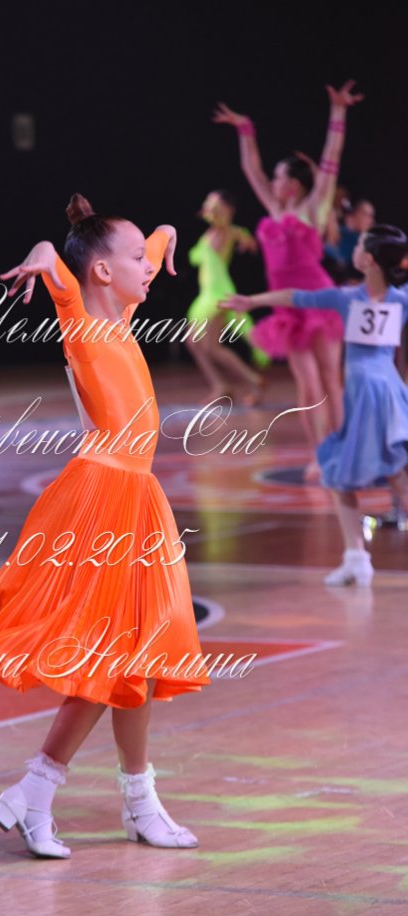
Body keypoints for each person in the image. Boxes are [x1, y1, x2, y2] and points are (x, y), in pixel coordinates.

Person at [0, 194, 208, 860]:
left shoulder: (121, 313)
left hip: (136, 495)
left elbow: (157, 239)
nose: (148, 268)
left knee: (140, 658)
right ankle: (36, 788)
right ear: (100, 272)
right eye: (135, 259)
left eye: (146, 259)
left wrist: (164, 235)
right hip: (103, 497)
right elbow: (56, 262)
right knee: (109, 658)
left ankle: (136, 803)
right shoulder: (82, 319)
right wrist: (45, 257)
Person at [221, 225, 408, 586]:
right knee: (354, 475)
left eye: (361, 246)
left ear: (368, 260)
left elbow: (295, 297)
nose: (355, 249)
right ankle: (355, 559)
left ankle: (356, 559)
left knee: (370, 474)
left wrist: (252, 301)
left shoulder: (351, 297)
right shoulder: (386, 298)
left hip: (371, 393)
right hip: (380, 390)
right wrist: (253, 301)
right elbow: (296, 296)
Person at [214, 80, 363, 478]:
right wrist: (245, 129)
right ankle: (319, 454)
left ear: (293, 185)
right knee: (307, 384)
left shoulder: (313, 208)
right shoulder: (272, 208)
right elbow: (250, 169)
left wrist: (338, 112)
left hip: (318, 300)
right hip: (286, 305)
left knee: (330, 378)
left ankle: (342, 449)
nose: (272, 181)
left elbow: (331, 159)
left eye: (278, 177)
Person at [186, 189, 266, 404]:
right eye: (208, 202)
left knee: (211, 347)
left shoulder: (226, 231)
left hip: (218, 295)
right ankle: (221, 385)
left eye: (215, 204)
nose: (209, 207)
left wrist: (246, 239)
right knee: (193, 342)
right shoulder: (211, 233)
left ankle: (252, 380)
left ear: (228, 210)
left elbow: (239, 233)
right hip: (207, 294)